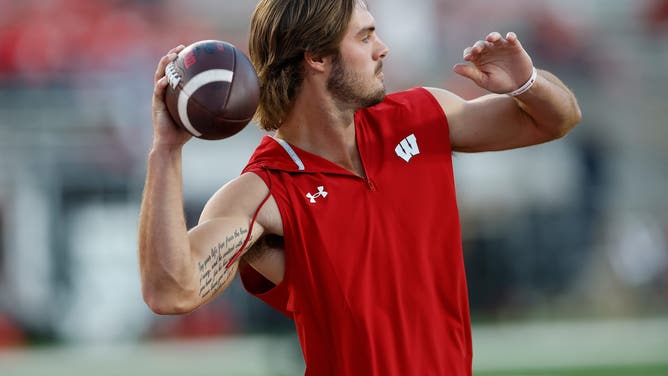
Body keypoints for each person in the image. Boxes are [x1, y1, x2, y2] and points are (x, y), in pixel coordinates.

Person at [138, 0, 582, 374]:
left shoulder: (421, 116)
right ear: (316, 56)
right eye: (366, 37)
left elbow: (556, 119)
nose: (383, 49)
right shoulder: (266, 192)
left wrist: (526, 82)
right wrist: (166, 151)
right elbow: (171, 291)